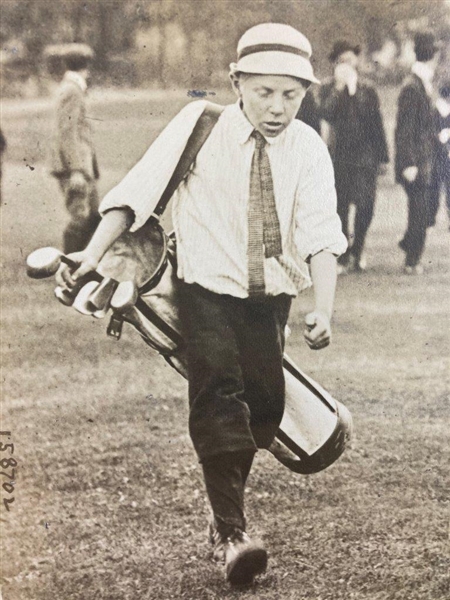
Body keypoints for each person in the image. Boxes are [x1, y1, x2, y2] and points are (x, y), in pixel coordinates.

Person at [56, 23, 347, 586]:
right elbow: (135, 196)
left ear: (305, 93)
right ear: (236, 80)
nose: (277, 107)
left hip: (270, 300)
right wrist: (91, 256)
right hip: (202, 289)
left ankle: (223, 520)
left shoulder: (308, 148)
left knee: (263, 407)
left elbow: (321, 235)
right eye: (263, 92)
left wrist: (324, 309)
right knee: (217, 391)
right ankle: (234, 533)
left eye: (291, 95)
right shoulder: (199, 124)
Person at [320, 40, 389, 273]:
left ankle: (358, 248)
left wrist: (383, 158)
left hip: (365, 158)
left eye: (352, 61)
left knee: (366, 206)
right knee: (340, 208)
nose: (348, 66)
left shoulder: (366, 89)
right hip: (338, 158)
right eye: (343, 62)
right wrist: (340, 89)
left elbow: (375, 123)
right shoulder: (328, 89)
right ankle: (344, 253)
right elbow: (326, 113)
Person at [395, 31, 441, 274]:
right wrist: (409, 162)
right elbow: (405, 128)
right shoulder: (414, 86)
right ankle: (412, 260)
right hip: (417, 161)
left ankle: (409, 247)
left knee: (424, 210)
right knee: (420, 211)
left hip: (426, 159)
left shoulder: (421, 83)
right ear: (433, 56)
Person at [49, 43, 101, 254]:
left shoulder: (72, 87)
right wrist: (76, 170)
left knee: (95, 218)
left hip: (82, 165)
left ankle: (85, 270)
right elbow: (67, 132)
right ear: (86, 65)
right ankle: (69, 270)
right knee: (82, 219)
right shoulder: (72, 90)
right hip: (76, 168)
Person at [428, 82, 450, 229]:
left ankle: (431, 218)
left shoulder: (433, 109)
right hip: (440, 154)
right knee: (441, 187)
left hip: (439, 154)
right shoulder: (435, 110)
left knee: (436, 187)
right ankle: (431, 217)